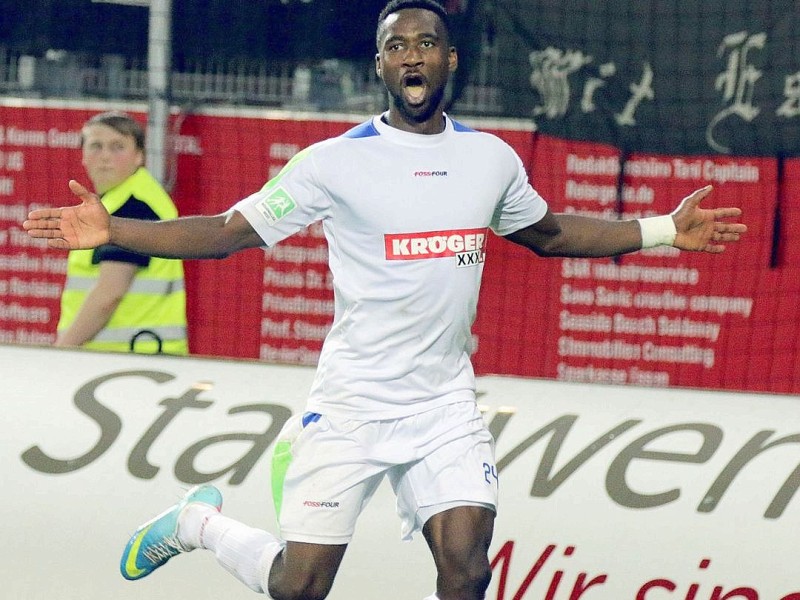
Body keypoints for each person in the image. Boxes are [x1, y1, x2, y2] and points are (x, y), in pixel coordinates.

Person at [23, 1, 746, 598]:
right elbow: (226, 232)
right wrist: (113, 227)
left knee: (465, 570)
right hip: (353, 404)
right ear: (380, 65)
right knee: (300, 588)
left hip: (443, 405)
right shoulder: (333, 162)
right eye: (395, 46)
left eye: (426, 43)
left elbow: (551, 234)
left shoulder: (489, 158)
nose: (411, 56)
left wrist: (661, 230)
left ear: (449, 59)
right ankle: (198, 524)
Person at [55, 111, 188, 354]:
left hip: (134, 358)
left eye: (118, 147)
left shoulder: (134, 206)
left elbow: (110, 294)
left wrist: (61, 350)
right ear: (83, 156)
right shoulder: (121, 200)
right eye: (96, 146)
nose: (105, 156)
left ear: (139, 157)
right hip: (128, 356)